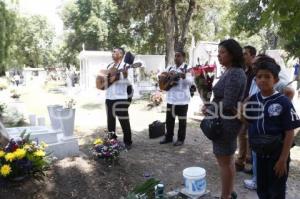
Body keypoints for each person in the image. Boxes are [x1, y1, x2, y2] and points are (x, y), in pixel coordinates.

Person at [243, 59, 300, 199]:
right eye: (259, 77)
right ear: (255, 80)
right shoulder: (253, 99)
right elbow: (249, 124)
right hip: (259, 154)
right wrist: (241, 110)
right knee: (262, 190)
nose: (262, 80)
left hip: (277, 156)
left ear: (275, 79)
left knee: (276, 192)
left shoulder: (283, 101)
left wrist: (282, 159)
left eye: (267, 76)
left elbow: (289, 132)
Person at [203, 39, 246, 199]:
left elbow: (228, 103)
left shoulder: (235, 72)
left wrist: (209, 108)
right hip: (225, 120)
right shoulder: (230, 70)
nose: (219, 55)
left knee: (224, 162)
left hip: (226, 123)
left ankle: (225, 196)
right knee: (228, 160)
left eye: (222, 52)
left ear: (232, 54)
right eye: (218, 52)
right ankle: (229, 192)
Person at [160, 50, 194, 146]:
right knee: (169, 120)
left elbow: (191, 82)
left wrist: (184, 77)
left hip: (182, 100)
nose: (176, 58)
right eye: (175, 56)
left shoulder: (188, 68)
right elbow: (162, 76)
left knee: (182, 121)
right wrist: (164, 77)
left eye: (178, 56)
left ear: (183, 57)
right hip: (171, 99)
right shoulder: (170, 67)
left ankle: (180, 139)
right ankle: (169, 137)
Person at [105, 47, 133, 149]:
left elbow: (129, 83)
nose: (112, 54)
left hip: (120, 98)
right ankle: (112, 140)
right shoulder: (109, 65)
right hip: (109, 97)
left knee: (124, 120)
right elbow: (106, 80)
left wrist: (125, 75)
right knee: (110, 121)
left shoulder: (126, 66)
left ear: (121, 54)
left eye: (114, 52)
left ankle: (128, 142)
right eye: (112, 52)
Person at [235, 45, 256, 172]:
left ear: (253, 56)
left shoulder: (257, 72)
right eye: (242, 54)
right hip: (242, 105)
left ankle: (251, 162)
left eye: (246, 54)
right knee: (242, 133)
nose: (243, 56)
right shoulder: (245, 70)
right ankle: (240, 160)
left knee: (251, 135)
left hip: (253, 107)